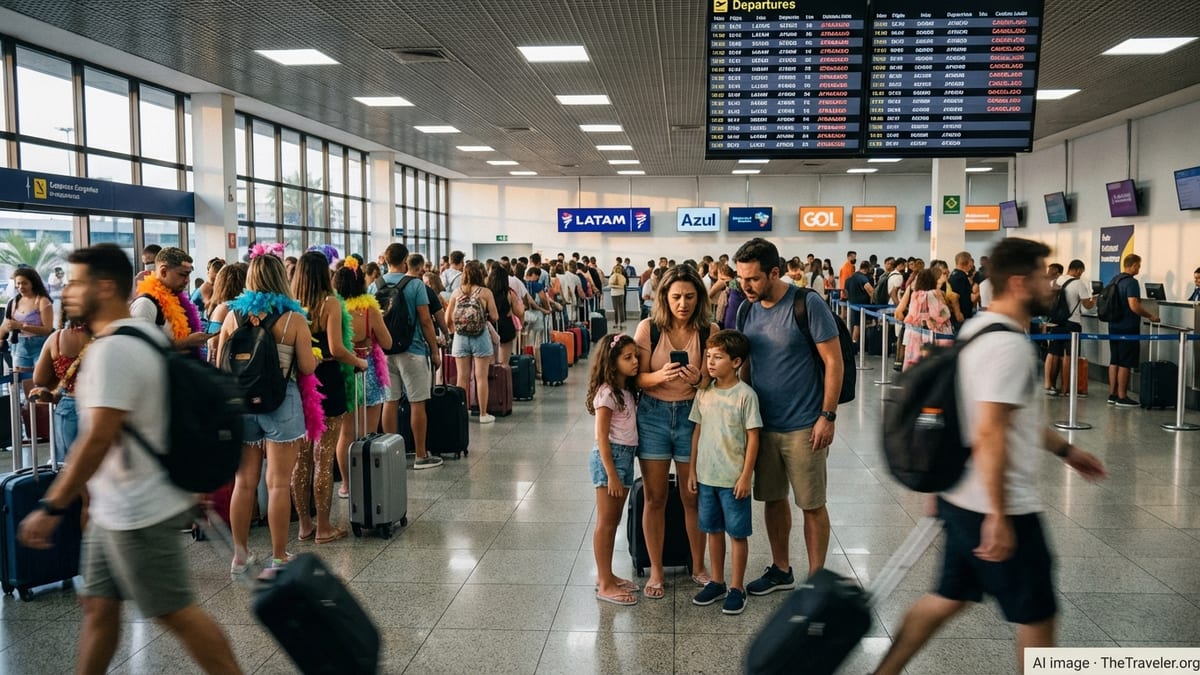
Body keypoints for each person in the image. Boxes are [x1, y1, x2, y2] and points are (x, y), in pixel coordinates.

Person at [874, 238, 1107, 675]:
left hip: (961, 496)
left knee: (947, 598)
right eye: (1043, 276)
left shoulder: (977, 328)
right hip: (1000, 506)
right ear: (1019, 283)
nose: (1051, 285)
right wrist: (999, 515)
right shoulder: (1009, 347)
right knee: (1038, 618)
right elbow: (989, 430)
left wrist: (1067, 450)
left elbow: (998, 417)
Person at [18, 243, 241, 674]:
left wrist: (51, 506)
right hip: (113, 508)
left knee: (177, 612)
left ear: (104, 286)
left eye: (78, 282)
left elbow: (98, 437)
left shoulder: (114, 349)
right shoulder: (139, 336)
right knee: (99, 609)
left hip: (139, 509)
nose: (68, 291)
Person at [734, 237, 843, 591]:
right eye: (740, 278)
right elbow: (746, 365)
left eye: (752, 279)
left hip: (804, 425)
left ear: (775, 272)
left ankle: (815, 582)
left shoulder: (806, 303)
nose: (745, 286)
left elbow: (833, 361)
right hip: (763, 425)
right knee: (773, 498)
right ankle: (781, 569)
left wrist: (827, 415)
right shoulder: (745, 310)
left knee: (811, 503)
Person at [219, 254, 318, 580]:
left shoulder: (232, 316)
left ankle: (240, 556)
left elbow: (221, 362)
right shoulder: (293, 320)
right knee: (277, 483)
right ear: (281, 279)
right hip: (281, 403)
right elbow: (305, 368)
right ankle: (278, 558)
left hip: (241, 403)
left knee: (244, 482)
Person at [633, 265, 719, 600]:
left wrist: (699, 378)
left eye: (689, 296)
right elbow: (637, 377)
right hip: (652, 415)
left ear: (699, 298)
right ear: (664, 298)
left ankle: (698, 566)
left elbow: (716, 378)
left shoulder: (709, 330)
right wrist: (661, 376)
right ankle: (656, 570)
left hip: (692, 416)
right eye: (676, 297)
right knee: (655, 497)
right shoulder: (648, 329)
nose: (682, 303)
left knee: (691, 496)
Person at [290, 251, 364, 544]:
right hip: (329, 380)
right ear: (324, 273)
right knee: (324, 456)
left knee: (302, 458)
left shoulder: (292, 305)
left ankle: (304, 525)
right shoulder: (329, 303)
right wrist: (359, 362)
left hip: (300, 381)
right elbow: (335, 348)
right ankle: (323, 527)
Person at [687, 330, 761, 615]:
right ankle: (716, 581)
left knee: (737, 534)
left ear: (736, 362)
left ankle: (736, 586)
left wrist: (745, 476)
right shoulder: (703, 393)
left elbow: (753, 438)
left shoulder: (746, 396)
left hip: (733, 481)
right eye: (708, 357)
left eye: (718, 357)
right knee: (713, 531)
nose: (710, 363)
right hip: (707, 478)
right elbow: (697, 431)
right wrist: (692, 470)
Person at [376, 243, 443, 469]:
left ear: (385, 260)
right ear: (405, 260)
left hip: (384, 353)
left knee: (389, 401)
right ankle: (421, 455)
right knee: (417, 403)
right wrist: (434, 350)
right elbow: (425, 320)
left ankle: (389, 454)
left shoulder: (374, 286)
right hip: (412, 350)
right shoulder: (415, 285)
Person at [588, 333, 642, 606]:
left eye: (636, 356)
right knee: (606, 523)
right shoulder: (607, 393)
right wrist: (611, 473)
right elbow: (602, 438)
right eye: (627, 357)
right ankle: (605, 583)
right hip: (611, 460)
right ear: (612, 361)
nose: (635, 362)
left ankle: (606, 574)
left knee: (614, 521)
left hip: (624, 458)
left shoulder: (626, 391)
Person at [335, 263, 392, 497]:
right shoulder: (369, 311)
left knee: (345, 433)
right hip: (369, 371)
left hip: (345, 372)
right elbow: (387, 342)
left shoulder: (335, 311)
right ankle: (366, 482)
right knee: (369, 433)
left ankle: (347, 485)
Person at [30, 307, 92, 466]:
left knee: (67, 466)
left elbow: (39, 378)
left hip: (68, 407)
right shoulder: (108, 337)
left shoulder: (56, 339)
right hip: (101, 406)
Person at [446, 260, 499, 424]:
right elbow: (495, 316)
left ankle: (463, 411)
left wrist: (455, 331)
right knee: (480, 377)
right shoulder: (485, 292)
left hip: (461, 338)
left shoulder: (456, 292)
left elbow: (448, 318)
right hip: (480, 336)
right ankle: (483, 414)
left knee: (462, 377)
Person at [129, 247, 210, 353]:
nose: (187, 280)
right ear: (163, 272)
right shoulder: (146, 304)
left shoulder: (178, 301)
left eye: (189, 275)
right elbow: (139, 350)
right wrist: (186, 342)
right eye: (182, 274)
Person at [1106, 253, 1159, 407]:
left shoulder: (1115, 280)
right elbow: (1134, 305)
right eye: (1139, 266)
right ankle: (1122, 396)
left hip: (1113, 325)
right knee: (1125, 362)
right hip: (1128, 327)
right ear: (1134, 265)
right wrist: (1150, 316)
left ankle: (1113, 394)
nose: (1139, 269)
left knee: (1114, 360)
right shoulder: (1132, 283)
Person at [1044, 259, 1095, 396]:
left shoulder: (1056, 281)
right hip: (1072, 323)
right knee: (1069, 356)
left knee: (1054, 354)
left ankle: (1051, 385)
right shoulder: (1079, 284)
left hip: (1056, 322)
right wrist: (1095, 299)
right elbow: (1087, 305)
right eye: (1081, 272)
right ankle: (1066, 389)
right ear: (1078, 270)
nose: (1081, 274)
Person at [1, 267, 55, 379]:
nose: (21, 287)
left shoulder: (42, 301)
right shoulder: (13, 302)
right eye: (18, 283)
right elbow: (5, 325)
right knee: (25, 385)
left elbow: (47, 329)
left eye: (24, 283)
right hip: (19, 346)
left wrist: (21, 326)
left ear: (33, 283)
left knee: (41, 383)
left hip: (40, 345)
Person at [900, 269, 952, 371]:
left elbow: (912, 313)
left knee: (915, 359)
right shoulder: (934, 293)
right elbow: (942, 313)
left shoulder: (915, 294)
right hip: (932, 331)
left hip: (916, 331)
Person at [486, 264, 519, 364]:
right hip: (506, 326)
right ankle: (504, 379)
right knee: (504, 363)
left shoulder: (486, 293)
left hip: (489, 327)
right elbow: (519, 311)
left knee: (490, 363)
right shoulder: (509, 293)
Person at [844, 261, 875, 345]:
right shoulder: (862, 278)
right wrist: (875, 301)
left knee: (853, 326)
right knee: (858, 326)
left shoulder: (849, 279)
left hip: (852, 304)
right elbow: (870, 290)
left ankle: (854, 344)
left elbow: (846, 293)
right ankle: (854, 345)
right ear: (867, 269)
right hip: (861, 306)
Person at [948, 251, 976, 329]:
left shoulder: (954, 274)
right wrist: (958, 313)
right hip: (961, 316)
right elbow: (956, 297)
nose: (971, 264)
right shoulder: (960, 277)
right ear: (964, 263)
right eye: (970, 261)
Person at [609, 262, 628, 328]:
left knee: (615, 309)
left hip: (614, 294)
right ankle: (621, 324)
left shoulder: (612, 276)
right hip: (621, 293)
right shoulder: (623, 277)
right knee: (621, 308)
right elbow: (624, 284)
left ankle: (616, 323)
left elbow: (610, 285)